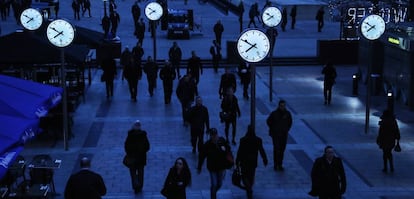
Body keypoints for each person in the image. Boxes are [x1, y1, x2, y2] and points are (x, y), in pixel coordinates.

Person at [197, 128, 231, 199]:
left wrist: (225, 149)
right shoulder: (207, 145)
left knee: (219, 184)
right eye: (212, 135)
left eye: (215, 135)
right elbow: (202, 156)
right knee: (214, 184)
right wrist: (199, 167)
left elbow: (228, 150)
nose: (214, 137)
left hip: (221, 167)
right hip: (212, 167)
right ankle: (213, 196)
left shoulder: (222, 141)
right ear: (210, 136)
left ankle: (213, 192)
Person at [236, 125, 268, 199]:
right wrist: (264, 159)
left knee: (244, 176)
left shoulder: (243, 139)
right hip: (253, 162)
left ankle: (249, 189)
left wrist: (237, 160)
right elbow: (261, 150)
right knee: (251, 177)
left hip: (244, 161)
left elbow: (240, 151)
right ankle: (249, 189)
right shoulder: (258, 140)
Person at [124, 120, 150, 194]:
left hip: (132, 158)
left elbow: (126, 146)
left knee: (133, 173)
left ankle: (136, 186)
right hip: (141, 158)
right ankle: (140, 186)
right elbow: (148, 146)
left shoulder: (130, 135)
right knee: (141, 173)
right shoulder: (143, 135)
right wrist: (142, 151)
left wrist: (129, 152)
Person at [266, 99, 292, 171]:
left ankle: (280, 164)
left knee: (282, 149)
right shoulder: (274, 114)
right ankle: (276, 164)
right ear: (279, 106)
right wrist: (273, 128)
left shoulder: (287, 114)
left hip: (284, 134)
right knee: (276, 148)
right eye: (281, 106)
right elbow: (268, 121)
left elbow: (290, 122)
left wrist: (286, 129)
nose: (282, 107)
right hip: (276, 134)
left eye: (283, 106)